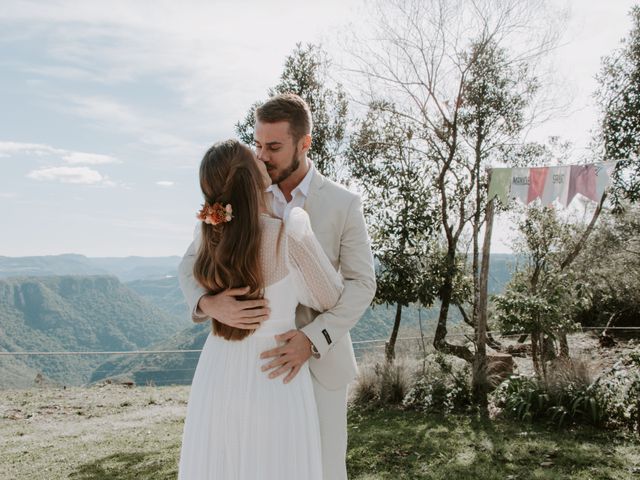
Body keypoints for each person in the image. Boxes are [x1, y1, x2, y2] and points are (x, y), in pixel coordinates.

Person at [179, 93, 376, 480]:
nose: (264, 156)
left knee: (322, 469)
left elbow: (362, 284)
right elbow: (189, 267)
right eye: (258, 145)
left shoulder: (342, 203)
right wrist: (210, 304)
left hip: (320, 362)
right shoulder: (240, 196)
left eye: (274, 146)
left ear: (304, 143)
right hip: (249, 367)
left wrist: (313, 339)